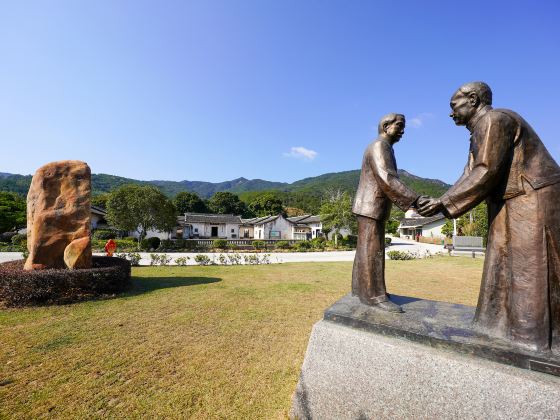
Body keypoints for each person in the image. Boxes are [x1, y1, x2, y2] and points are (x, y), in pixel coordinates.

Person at [419, 82, 560, 352]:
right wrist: (441, 203)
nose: (451, 113)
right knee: (499, 258)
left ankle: (529, 338)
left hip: (533, 194)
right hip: (510, 196)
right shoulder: (480, 129)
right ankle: (495, 325)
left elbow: (485, 171)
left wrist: (444, 202)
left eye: (454, 105)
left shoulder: (496, 119)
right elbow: (470, 172)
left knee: (528, 264)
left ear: (472, 99)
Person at [352, 113, 425, 312]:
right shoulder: (379, 146)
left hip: (370, 207)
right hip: (370, 206)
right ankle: (373, 296)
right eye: (399, 126)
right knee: (372, 251)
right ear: (386, 126)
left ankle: (361, 290)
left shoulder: (384, 147)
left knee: (366, 251)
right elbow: (387, 178)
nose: (403, 131)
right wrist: (415, 200)